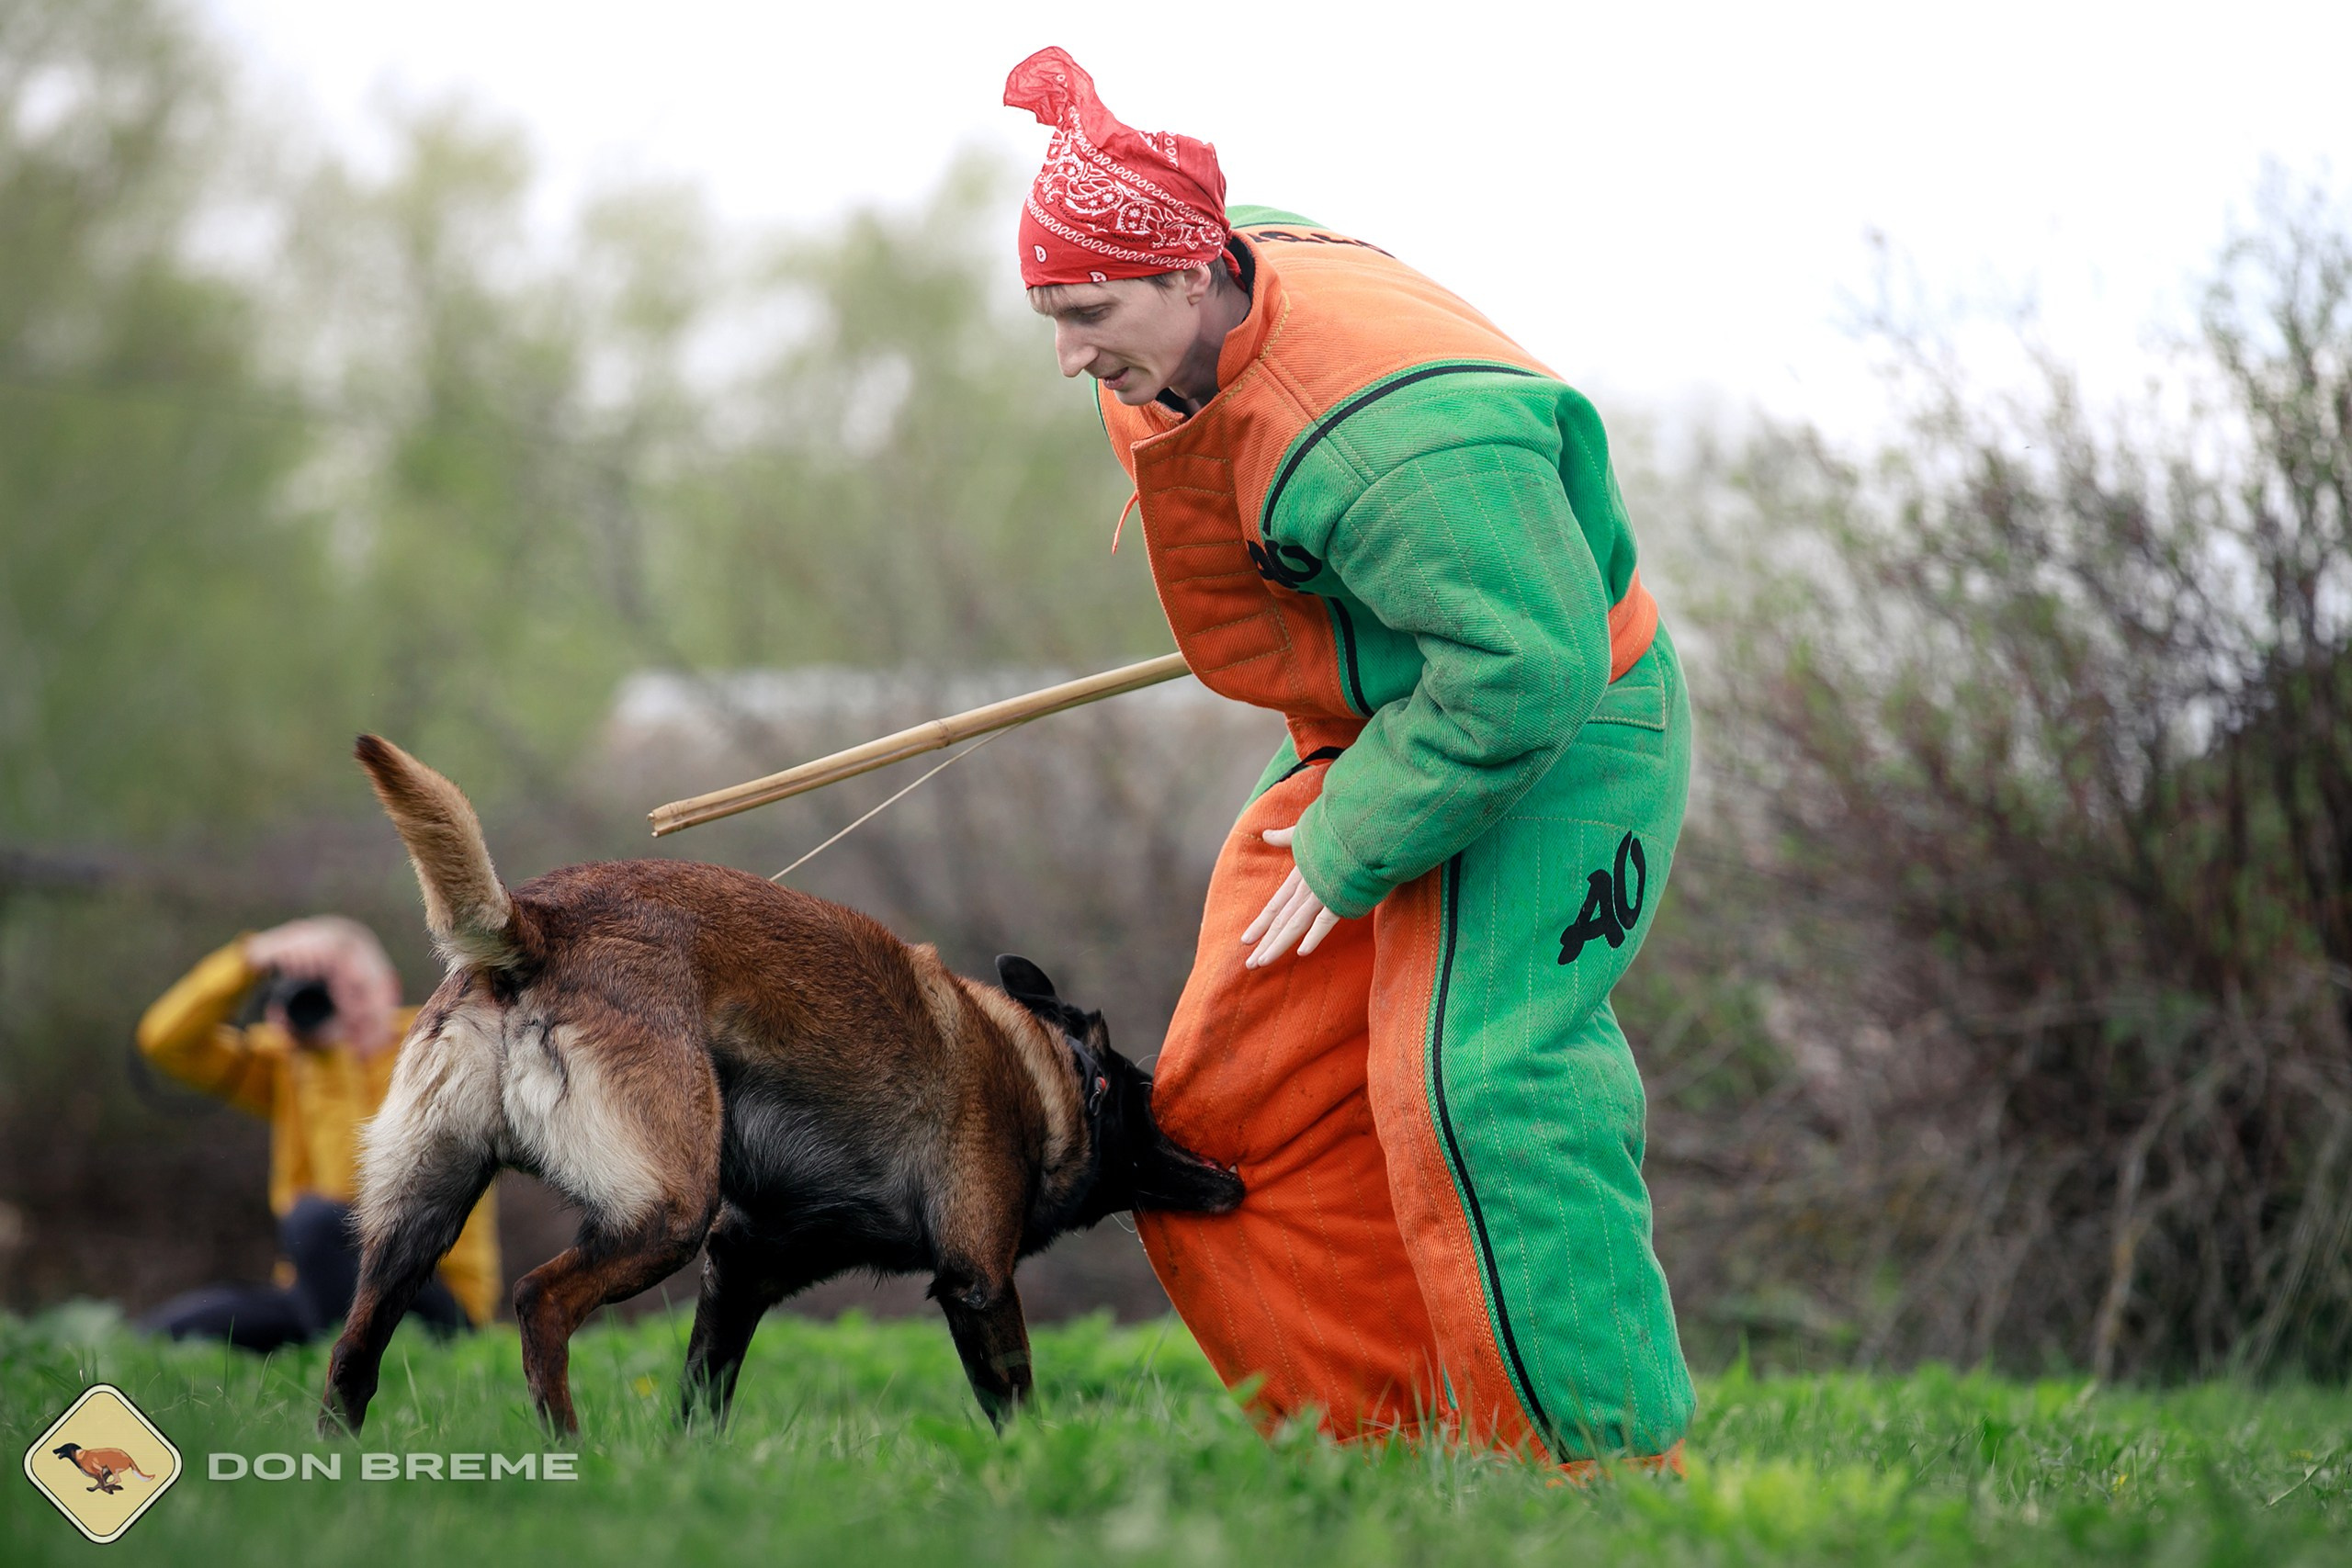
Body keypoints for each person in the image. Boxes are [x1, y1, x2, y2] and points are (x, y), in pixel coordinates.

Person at [1004, 49, 1694, 1473]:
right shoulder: (1208, 255)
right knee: (1212, 1121)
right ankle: (1397, 1444)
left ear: (1198, 278)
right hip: (1399, 719)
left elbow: (1530, 666)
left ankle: (1604, 1471)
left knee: (1483, 1077)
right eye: (1049, 317)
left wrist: (1350, 833)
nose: (1069, 354)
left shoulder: (1398, 453)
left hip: (1564, 728)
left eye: (1090, 315)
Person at [134, 916, 500, 1351]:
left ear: (392, 987)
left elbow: (359, 1209)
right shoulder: (294, 1063)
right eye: (330, 996)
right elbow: (165, 1043)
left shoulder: (443, 1054)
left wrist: (330, 1061)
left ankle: (342, 1367)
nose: (347, 1011)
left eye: (359, 992)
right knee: (168, 1330)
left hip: (432, 1293)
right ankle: (331, 1348)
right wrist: (251, 957)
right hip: (318, 1291)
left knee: (315, 1220)